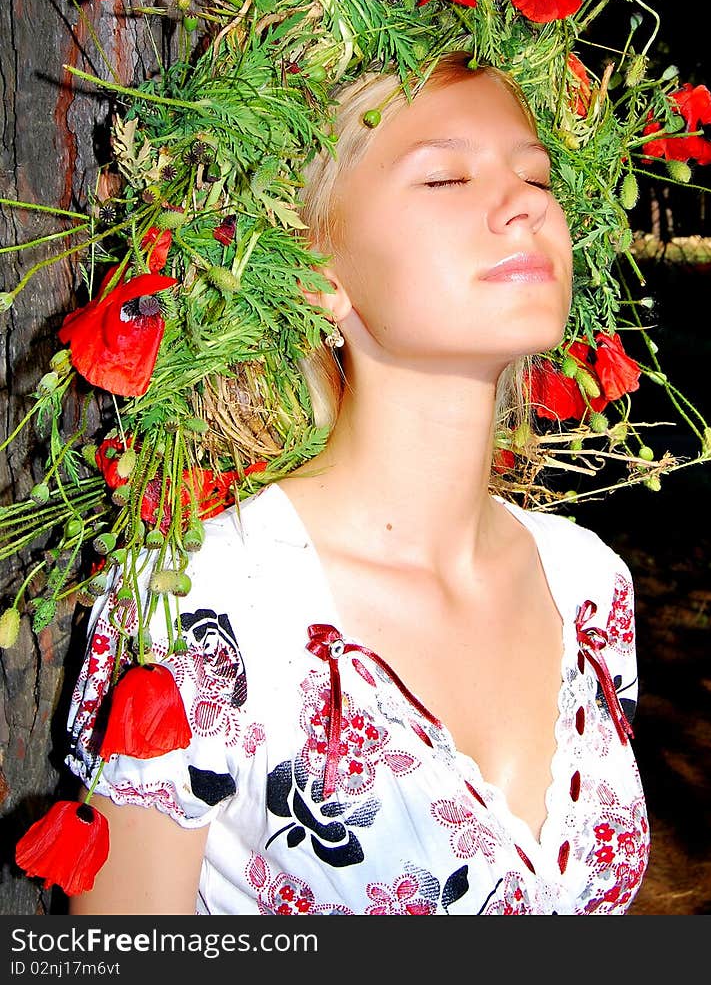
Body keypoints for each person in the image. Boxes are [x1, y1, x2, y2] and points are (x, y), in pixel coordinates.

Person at [62, 55, 647, 916]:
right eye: (446, 175)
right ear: (319, 272)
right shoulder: (202, 606)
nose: (528, 204)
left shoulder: (590, 585)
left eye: (536, 176)